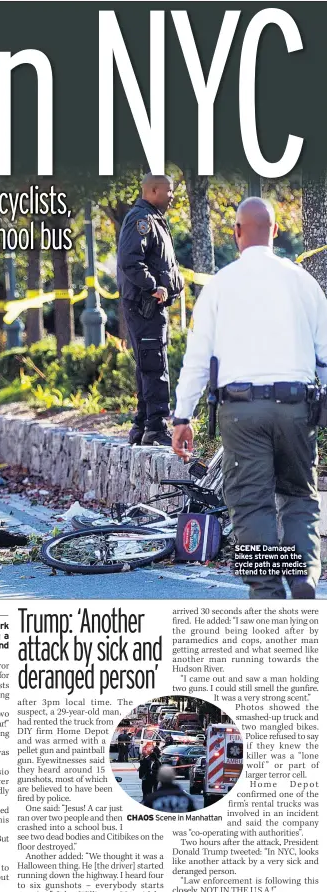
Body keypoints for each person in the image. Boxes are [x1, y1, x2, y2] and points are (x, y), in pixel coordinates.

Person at [172, 197, 327, 599]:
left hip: (241, 412)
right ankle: (303, 577)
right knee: (298, 495)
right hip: (297, 407)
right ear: (276, 231)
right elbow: (325, 355)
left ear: (236, 232)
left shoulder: (220, 285)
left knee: (252, 502)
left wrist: (181, 417)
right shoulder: (303, 283)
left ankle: (269, 591)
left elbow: (197, 359)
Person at [117, 174, 185, 446]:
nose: (172, 196)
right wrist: (154, 286)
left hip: (150, 307)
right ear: (153, 190)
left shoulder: (153, 218)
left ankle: (142, 425)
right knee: (155, 364)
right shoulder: (142, 220)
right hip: (146, 306)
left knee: (148, 363)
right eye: (168, 191)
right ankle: (156, 427)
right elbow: (129, 261)